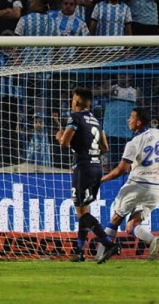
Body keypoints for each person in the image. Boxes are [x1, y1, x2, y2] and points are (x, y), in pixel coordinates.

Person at [97, 106, 159, 262]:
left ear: (139, 122)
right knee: (131, 226)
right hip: (155, 189)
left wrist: (102, 179)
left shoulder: (134, 143)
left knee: (116, 218)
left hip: (137, 185)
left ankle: (100, 254)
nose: (128, 119)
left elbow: (121, 170)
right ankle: (152, 239)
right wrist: (158, 155)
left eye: (132, 117)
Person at [58, 86, 112, 262]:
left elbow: (64, 143)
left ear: (76, 102)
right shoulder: (96, 121)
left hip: (83, 167)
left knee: (82, 212)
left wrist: (59, 136)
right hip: (96, 167)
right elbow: (105, 148)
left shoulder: (75, 117)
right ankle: (79, 251)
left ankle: (109, 244)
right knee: (83, 210)